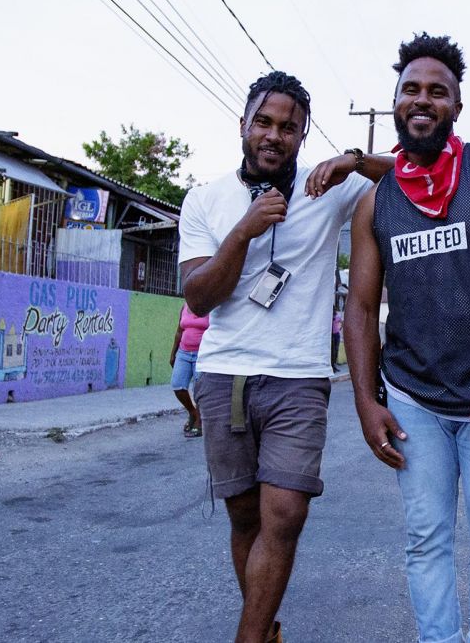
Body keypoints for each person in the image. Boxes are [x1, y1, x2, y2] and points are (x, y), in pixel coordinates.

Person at [344, 33, 470, 643]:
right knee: (426, 542)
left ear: (457, 105)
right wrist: (366, 400)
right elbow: (358, 306)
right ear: (396, 102)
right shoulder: (376, 201)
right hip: (412, 399)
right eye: (411, 89)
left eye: (438, 90)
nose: (423, 99)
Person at [177, 70, 391, 643]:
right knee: (245, 517)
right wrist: (243, 233)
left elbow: (414, 172)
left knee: (287, 512)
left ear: (302, 136)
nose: (275, 135)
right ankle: (265, 630)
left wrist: (352, 160)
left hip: (298, 376)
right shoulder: (204, 198)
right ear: (243, 125)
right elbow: (198, 295)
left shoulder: (329, 190)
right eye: (264, 123)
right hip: (223, 373)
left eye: (289, 128)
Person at [170, 302, 209, 437]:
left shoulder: (210, 306)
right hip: (183, 352)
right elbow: (179, 331)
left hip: (202, 353)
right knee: (177, 385)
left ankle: (200, 421)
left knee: (199, 389)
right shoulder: (184, 307)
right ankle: (192, 412)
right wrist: (173, 353)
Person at [330, 307, 343, 373]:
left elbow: (342, 322)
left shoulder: (337, 316)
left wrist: (339, 328)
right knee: (332, 351)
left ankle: (334, 365)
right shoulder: (329, 317)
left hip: (336, 334)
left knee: (336, 350)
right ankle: (332, 366)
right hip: (331, 335)